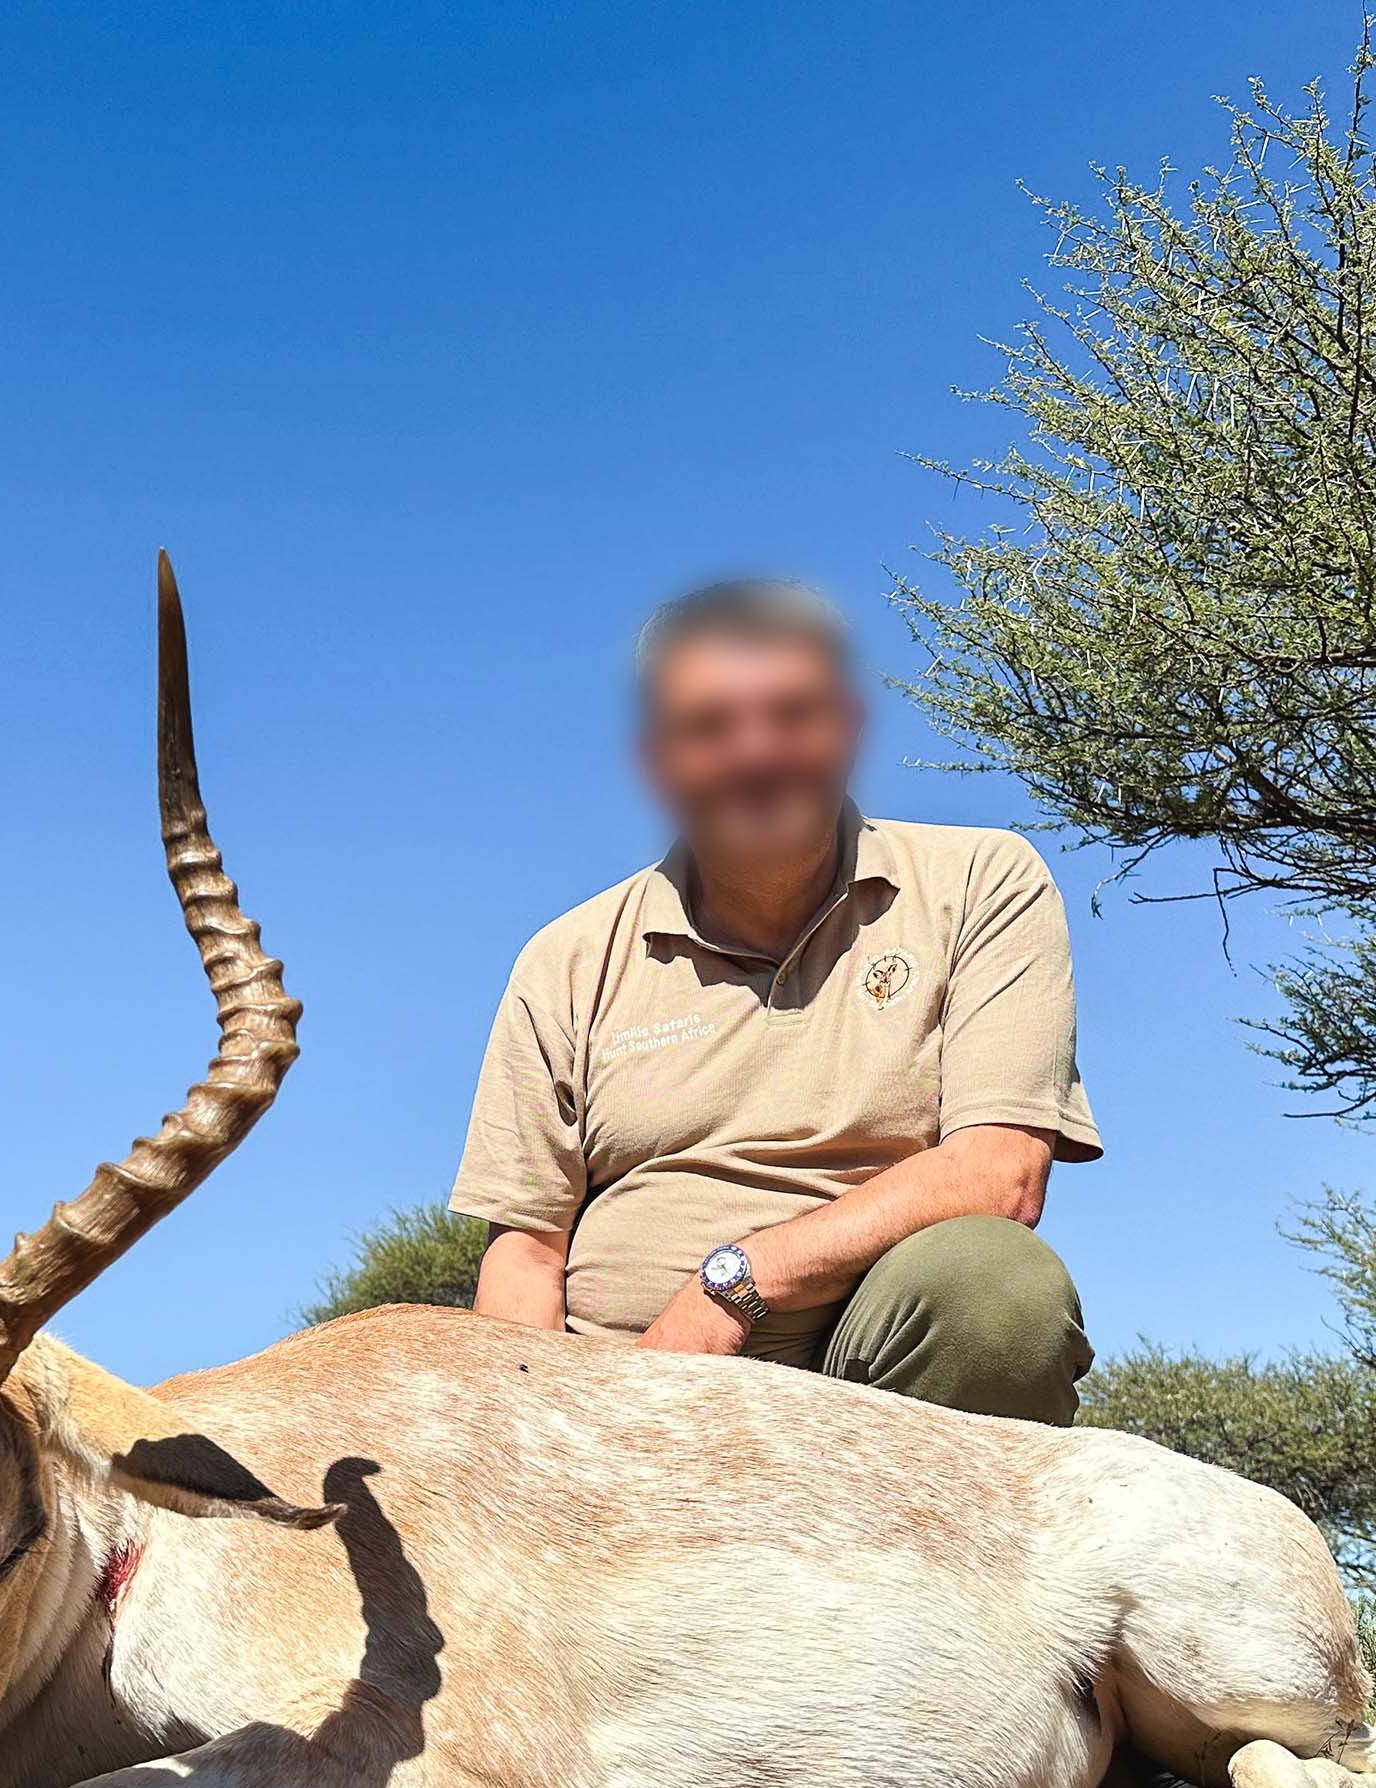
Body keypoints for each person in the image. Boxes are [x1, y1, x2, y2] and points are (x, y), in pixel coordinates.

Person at [450, 578, 1101, 1424]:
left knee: (995, 1286)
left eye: (791, 714)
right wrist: (530, 1440)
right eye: (709, 726)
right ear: (659, 759)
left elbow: (997, 1173)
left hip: (867, 1382)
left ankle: (918, 1550)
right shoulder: (565, 959)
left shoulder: (980, 880)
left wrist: (732, 1285)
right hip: (615, 1405)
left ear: (845, 728)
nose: (756, 753)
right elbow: (527, 1257)